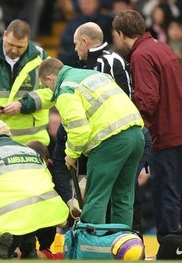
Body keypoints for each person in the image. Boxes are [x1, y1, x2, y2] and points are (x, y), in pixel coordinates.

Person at [112, 10, 182, 240]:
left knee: (167, 193)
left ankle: (169, 246)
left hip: (166, 135)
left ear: (121, 34)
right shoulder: (161, 47)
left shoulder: (141, 55)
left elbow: (147, 99)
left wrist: (137, 129)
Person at [38, 58, 144, 227]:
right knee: (123, 198)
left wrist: (71, 155)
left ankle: (92, 251)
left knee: (96, 198)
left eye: (46, 86)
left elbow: (79, 130)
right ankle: (123, 247)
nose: (49, 90)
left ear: (50, 79)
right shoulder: (93, 75)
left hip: (109, 141)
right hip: (137, 135)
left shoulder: (65, 90)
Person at [0, 120, 68, 259]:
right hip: (47, 214)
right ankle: (29, 249)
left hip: (9, 216)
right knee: (26, 226)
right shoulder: (30, 151)